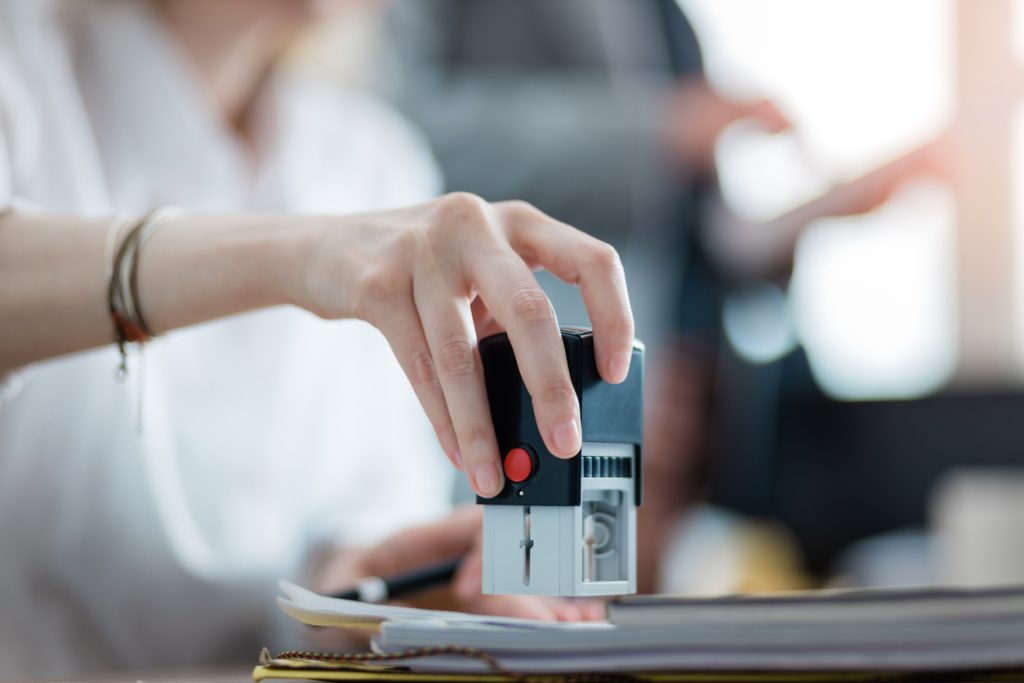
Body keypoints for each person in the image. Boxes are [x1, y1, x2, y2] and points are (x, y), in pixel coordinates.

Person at [0, 0, 621, 677]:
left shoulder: (373, 161)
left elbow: (331, 557)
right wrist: (303, 254)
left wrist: (360, 587)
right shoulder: (21, 77)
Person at [381, 0, 949, 592]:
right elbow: (405, 129)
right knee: (530, 614)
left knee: (616, 625)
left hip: (671, 397)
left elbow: (701, 237)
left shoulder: (669, 18)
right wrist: (662, 130)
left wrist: (829, 207)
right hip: (540, 383)